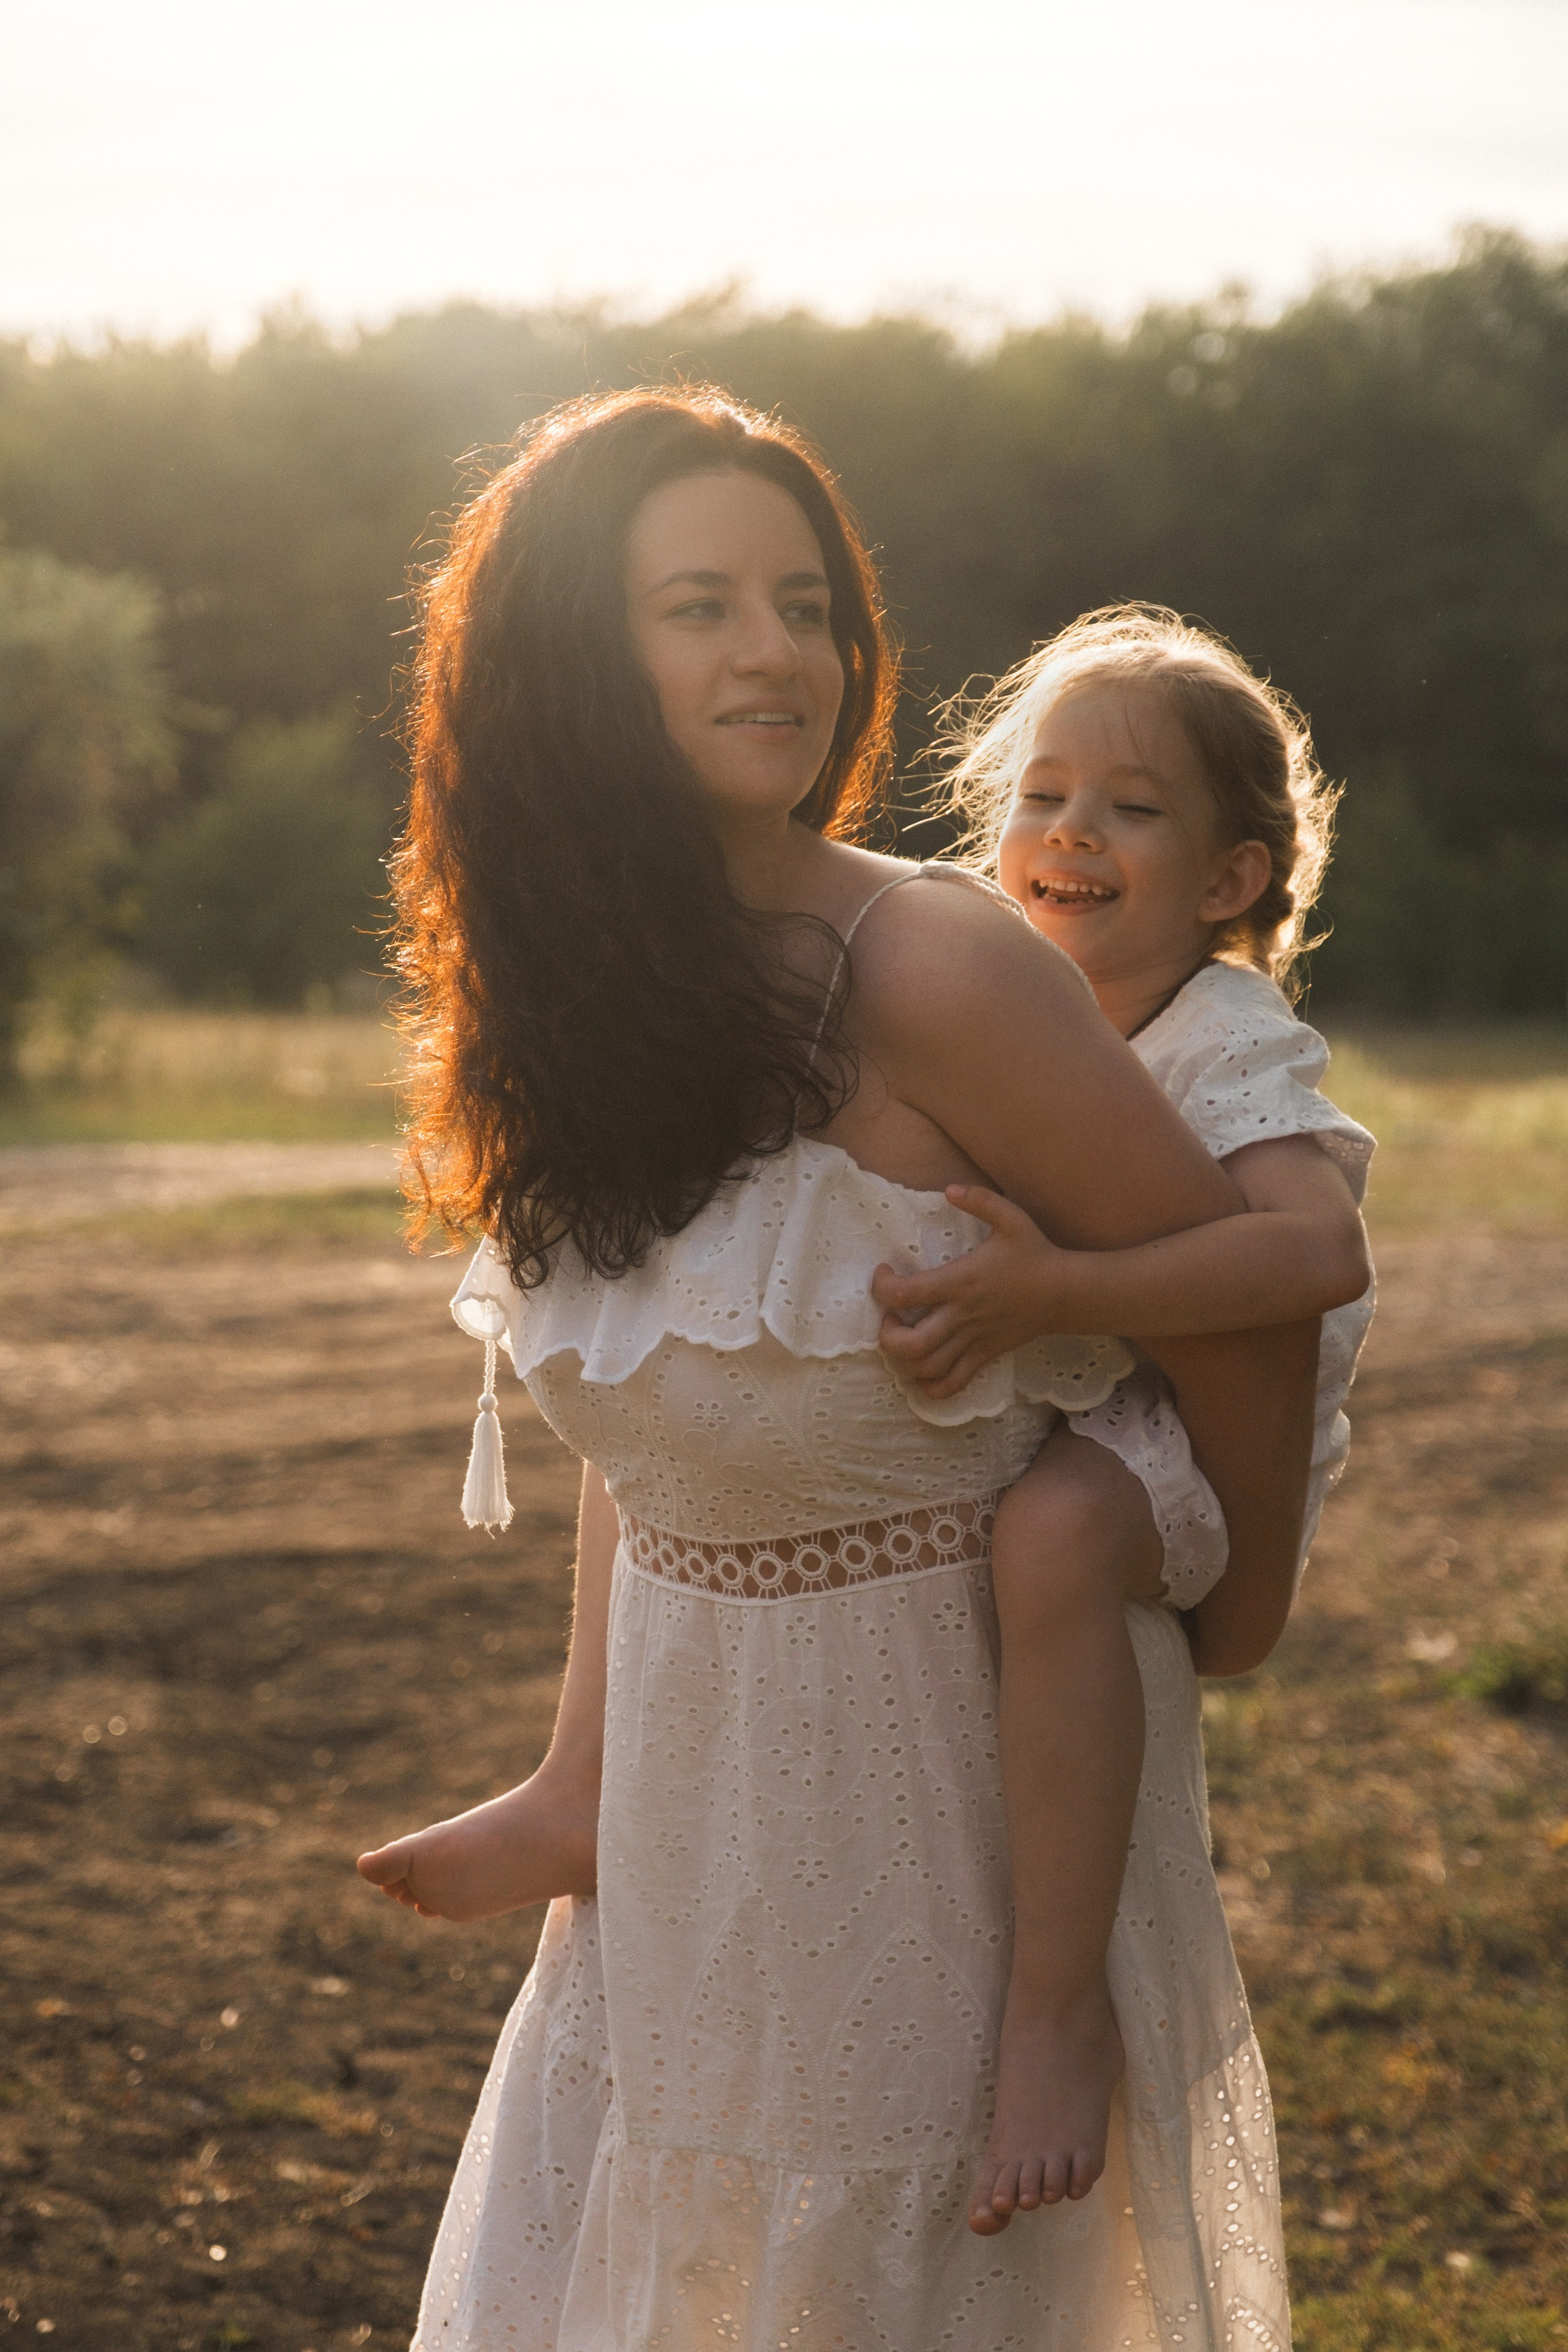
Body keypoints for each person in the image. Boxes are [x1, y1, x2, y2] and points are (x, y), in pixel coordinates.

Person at [358, 390, 1319, 2349]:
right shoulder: (576, 1000)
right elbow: (674, 1415)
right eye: (699, 603)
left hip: (944, 1792)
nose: (780, 650)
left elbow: (1259, 1291)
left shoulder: (939, 966)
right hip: (683, 1798)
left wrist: (1245, 1595)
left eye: (802, 602)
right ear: (562, 658)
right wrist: (577, 1774)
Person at [870, 606, 1376, 2233]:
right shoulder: (1015, 1005)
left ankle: (1058, 2002)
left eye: (1131, 807)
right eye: (1040, 793)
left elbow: (1315, 1253)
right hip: (1105, 1379)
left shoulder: (1223, 1032)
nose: (1067, 831)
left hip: (1207, 1437)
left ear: (1232, 880)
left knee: (1056, 1531)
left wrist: (1058, 1293)